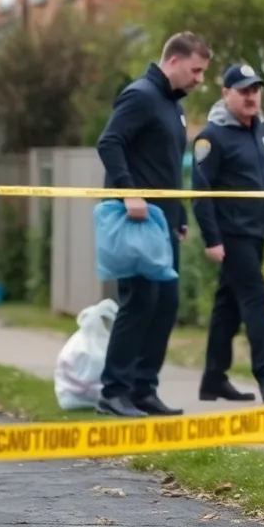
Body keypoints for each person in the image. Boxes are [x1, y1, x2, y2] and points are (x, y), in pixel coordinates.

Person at [95, 32, 213, 418]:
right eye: (196, 70)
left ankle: (144, 389)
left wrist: (178, 218)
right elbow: (109, 143)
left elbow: (166, 169)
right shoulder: (141, 95)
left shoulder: (173, 106)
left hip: (163, 223)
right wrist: (129, 193)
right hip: (136, 221)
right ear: (174, 61)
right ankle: (114, 391)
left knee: (165, 305)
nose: (199, 80)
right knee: (140, 301)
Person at [191, 63, 264, 405]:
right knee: (255, 299)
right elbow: (200, 189)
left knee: (228, 308)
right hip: (231, 234)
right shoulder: (212, 136)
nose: (251, 96)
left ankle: (213, 380)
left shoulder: (262, 130)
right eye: (244, 91)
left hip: (256, 233)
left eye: (255, 89)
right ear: (226, 95)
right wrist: (212, 239)